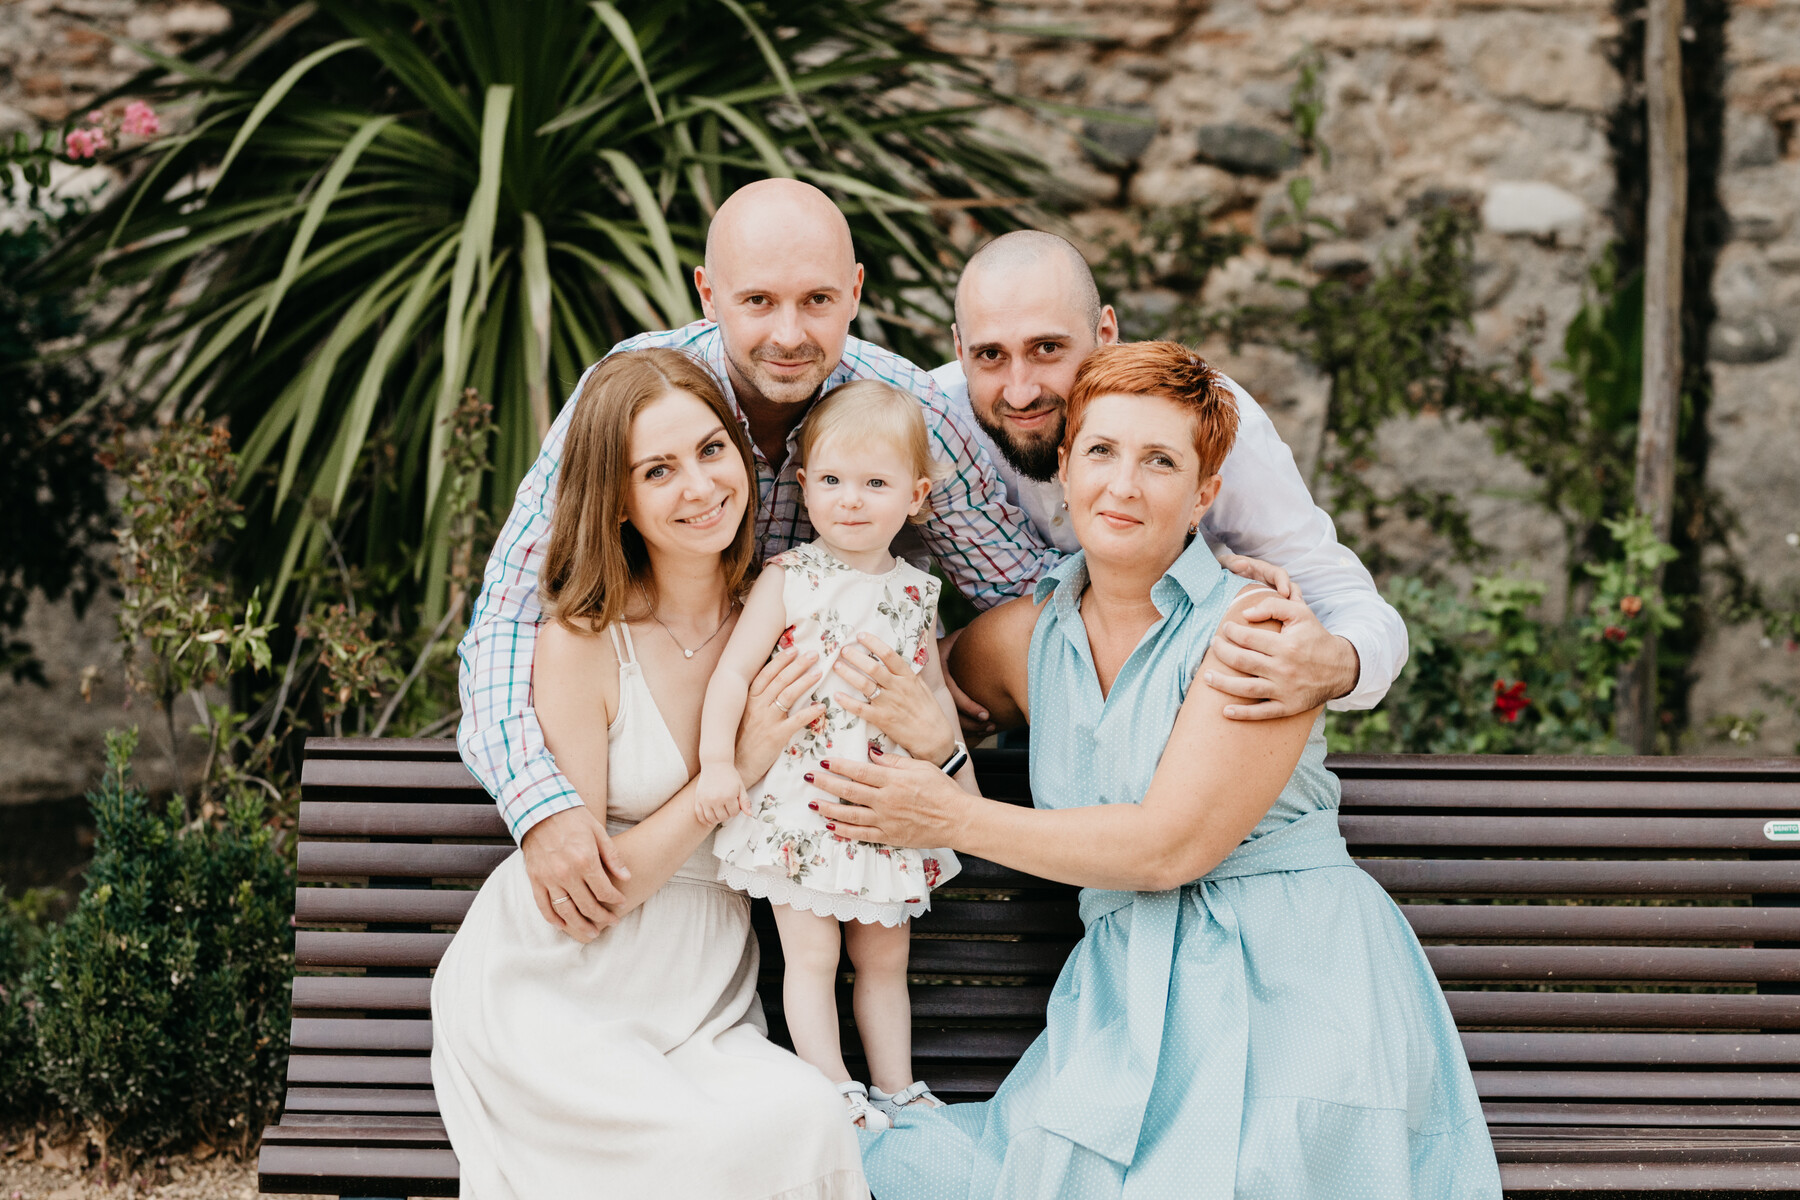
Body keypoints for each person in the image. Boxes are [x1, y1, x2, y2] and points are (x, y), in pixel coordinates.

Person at [457, 181, 1398, 938]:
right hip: (681, 761)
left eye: (818, 301)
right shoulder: (636, 396)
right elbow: (509, 614)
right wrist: (542, 808)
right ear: (709, 296)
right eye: (758, 302)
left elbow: (1023, 591)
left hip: (826, 811)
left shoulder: (908, 410)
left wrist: (1211, 594)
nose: (790, 333)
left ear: (856, 294)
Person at [812, 342, 1503, 1198]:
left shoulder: (1256, 631)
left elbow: (1168, 849)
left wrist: (947, 813)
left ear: (1204, 494)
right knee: (911, 1167)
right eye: (1100, 452)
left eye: (1160, 462)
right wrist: (922, 725)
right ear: (1064, 470)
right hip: (1125, 1001)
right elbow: (915, 673)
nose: (1124, 486)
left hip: (1292, 984)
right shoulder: (1030, 638)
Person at [430, 349, 872, 1199]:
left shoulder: (778, 621)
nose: (699, 487)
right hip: (559, 988)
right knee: (700, 1154)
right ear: (619, 500)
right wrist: (733, 769)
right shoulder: (584, 640)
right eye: (657, 470)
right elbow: (599, 890)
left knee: (808, 1119)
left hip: (701, 992)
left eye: (711, 451)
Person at [933, 229, 1406, 728]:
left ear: (1105, 335)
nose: (1022, 391)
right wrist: (922, 671)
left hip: (1184, 718)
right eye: (990, 356)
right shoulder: (931, 422)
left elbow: (1340, 593)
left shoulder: (1202, 421)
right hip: (1012, 715)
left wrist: (1334, 663)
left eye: (1048, 348)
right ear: (960, 349)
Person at [697, 380, 974, 1130]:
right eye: (832, 481)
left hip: (884, 806)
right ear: (805, 486)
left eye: (875, 484)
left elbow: (935, 702)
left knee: (885, 963)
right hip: (802, 805)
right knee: (812, 960)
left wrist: (961, 800)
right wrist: (719, 763)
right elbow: (730, 675)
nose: (850, 501)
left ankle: (898, 1085)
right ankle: (830, 1086)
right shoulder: (790, 579)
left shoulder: (917, 593)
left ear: (915, 495)